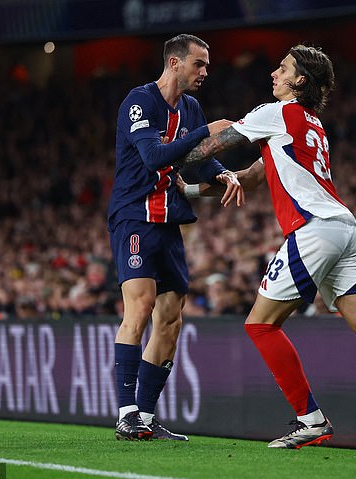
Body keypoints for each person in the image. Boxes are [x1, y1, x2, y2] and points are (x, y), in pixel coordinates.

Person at [176, 44, 356, 457]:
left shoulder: (274, 112)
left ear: (298, 80)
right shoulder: (311, 124)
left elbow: (211, 148)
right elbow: (251, 177)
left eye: (282, 68)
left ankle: (310, 420)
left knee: (260, 325)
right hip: (344, 228)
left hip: (313, 230)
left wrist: (167, 158)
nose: (274, 73)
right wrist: (191, 189)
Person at [107, 34, 243, 442]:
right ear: (174, 63)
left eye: (206, 64)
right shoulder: (139, 101)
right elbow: (153, 157)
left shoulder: (191, 108)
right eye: (199, 64)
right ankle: (126, 413)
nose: (205, 71)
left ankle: (146, 418)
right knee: (142, 305)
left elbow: (196, 160)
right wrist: (204, 132)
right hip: (133, 216)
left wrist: (221, 171)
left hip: (168, 221)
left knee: (170, 318)